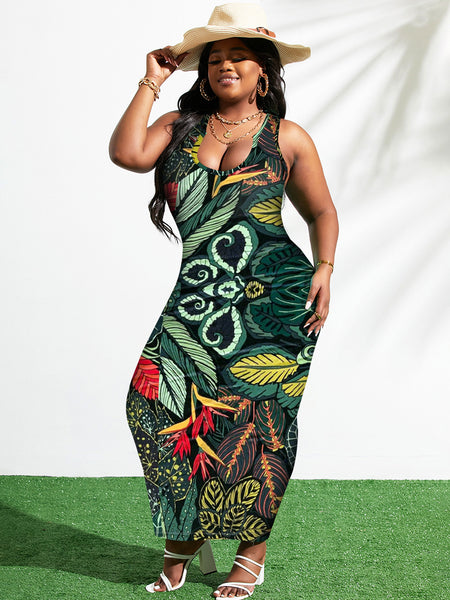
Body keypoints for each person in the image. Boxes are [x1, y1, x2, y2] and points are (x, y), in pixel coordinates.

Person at [109, 3, 339, 597]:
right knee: (153, 403)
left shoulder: (287, 137)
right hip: (201, 291)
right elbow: (127, 154)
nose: (226, 66)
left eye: (239, 56)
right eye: (215, 58)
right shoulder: (177, 127)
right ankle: (186, 536)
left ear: (264, 71)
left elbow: (321, 211)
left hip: (277, 296)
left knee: (259, 423)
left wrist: (325, 268)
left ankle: (249, 556)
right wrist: (153, 79)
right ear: (204, 71)